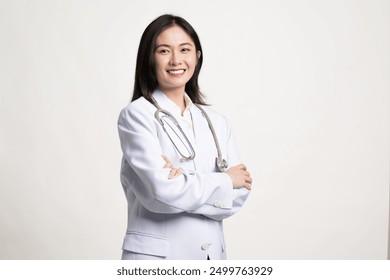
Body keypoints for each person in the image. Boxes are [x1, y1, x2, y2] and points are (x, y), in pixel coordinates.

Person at [117, 14, 252, 260]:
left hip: (211, 259)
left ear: (197, 56)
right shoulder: (137, 115)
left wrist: (183, 183)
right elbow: (161, 193)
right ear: (150, 58)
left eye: (185, 49)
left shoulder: (216, 122)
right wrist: (224, 181)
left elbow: (239, 194)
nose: (176, 60)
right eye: (164, 51)